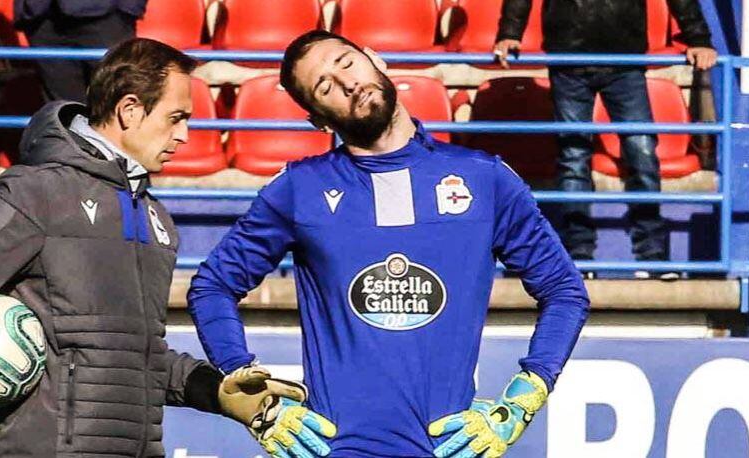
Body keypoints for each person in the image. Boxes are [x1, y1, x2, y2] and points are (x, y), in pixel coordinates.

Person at [0, 38, 316, 457]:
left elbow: (142, 360)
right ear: (130, 110)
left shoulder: (157, 224)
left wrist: (221, 395)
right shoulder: (37, 192)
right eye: (176, 118)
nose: (185, 135)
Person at [187, 30, 590, 458]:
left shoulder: (483, 178)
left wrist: (523, 398)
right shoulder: (299, 189)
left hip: (445, 448)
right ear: (318, 120)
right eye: (324, 86)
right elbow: (212, 287)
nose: (346, 83)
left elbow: (564, 291)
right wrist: (252, 393)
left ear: (375, 59)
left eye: (346, 62)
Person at [493, 0, 717, 278]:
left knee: (642, 151)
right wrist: (509, 34)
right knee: (573, 157)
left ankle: (653, 254)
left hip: (625, 61)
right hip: (568, 59)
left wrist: (698, 38)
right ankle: (578, 255)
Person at [14, 0, 144, 102]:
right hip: (41, 17)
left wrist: (128, 8)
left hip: (108, 17)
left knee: (117, 99)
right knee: (63, 112)